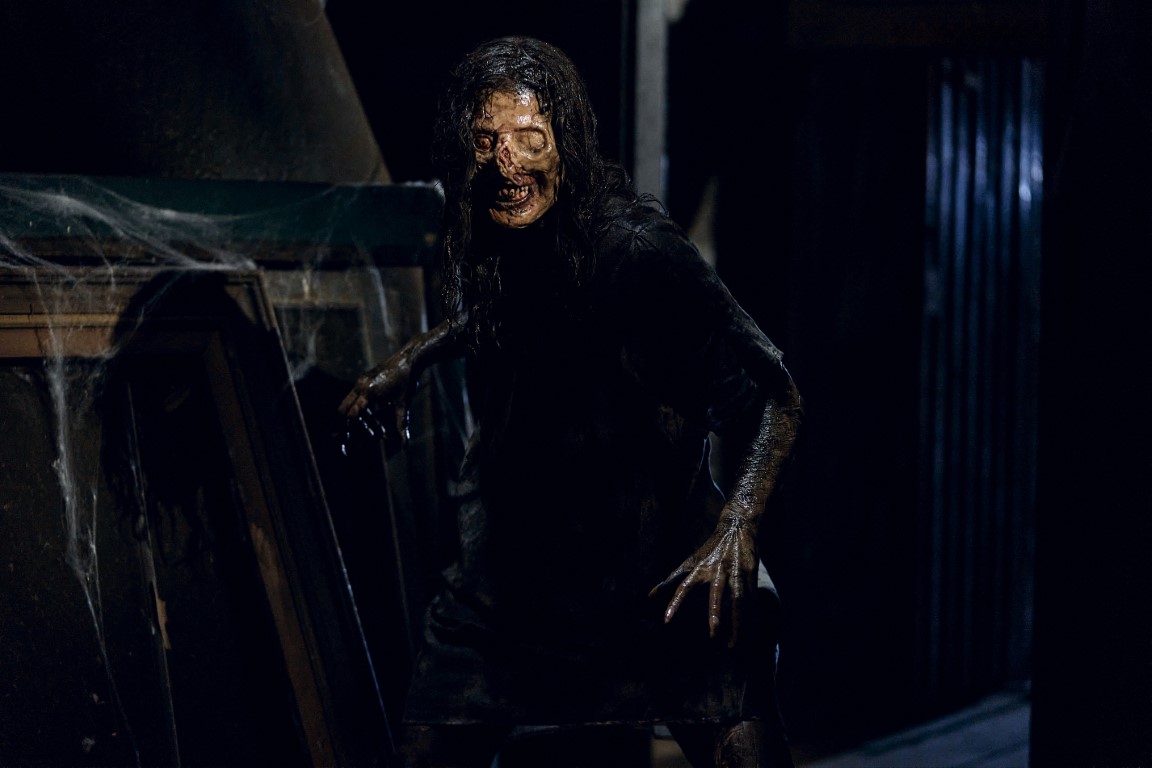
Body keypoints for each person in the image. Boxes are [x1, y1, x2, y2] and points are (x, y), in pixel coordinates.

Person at [339, 36, 802, 768]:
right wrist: (414, 357)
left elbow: (780, 393)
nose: (506, 164)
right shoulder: (509, 240)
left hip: (663, 577)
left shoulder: (640, 251)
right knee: (431, 734)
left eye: (530, 139)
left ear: (567, 145)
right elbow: (523, 309)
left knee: (737, 738)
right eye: (486, 141)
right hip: (523, 580)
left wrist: (738, 524)